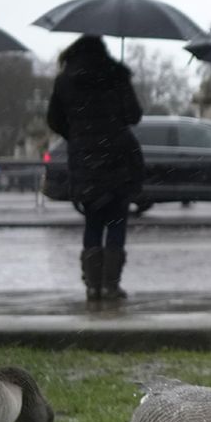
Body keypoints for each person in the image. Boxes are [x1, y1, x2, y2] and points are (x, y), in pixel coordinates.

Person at [46, 35, 145, 301]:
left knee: (93, 220)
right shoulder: (116, 76)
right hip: (117, 158)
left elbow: (54, 120)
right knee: (116, 221)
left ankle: (92, 285)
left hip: (85, 160)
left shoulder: (65, 80)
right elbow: (134, 115)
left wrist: (77, 134)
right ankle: (111, 284)